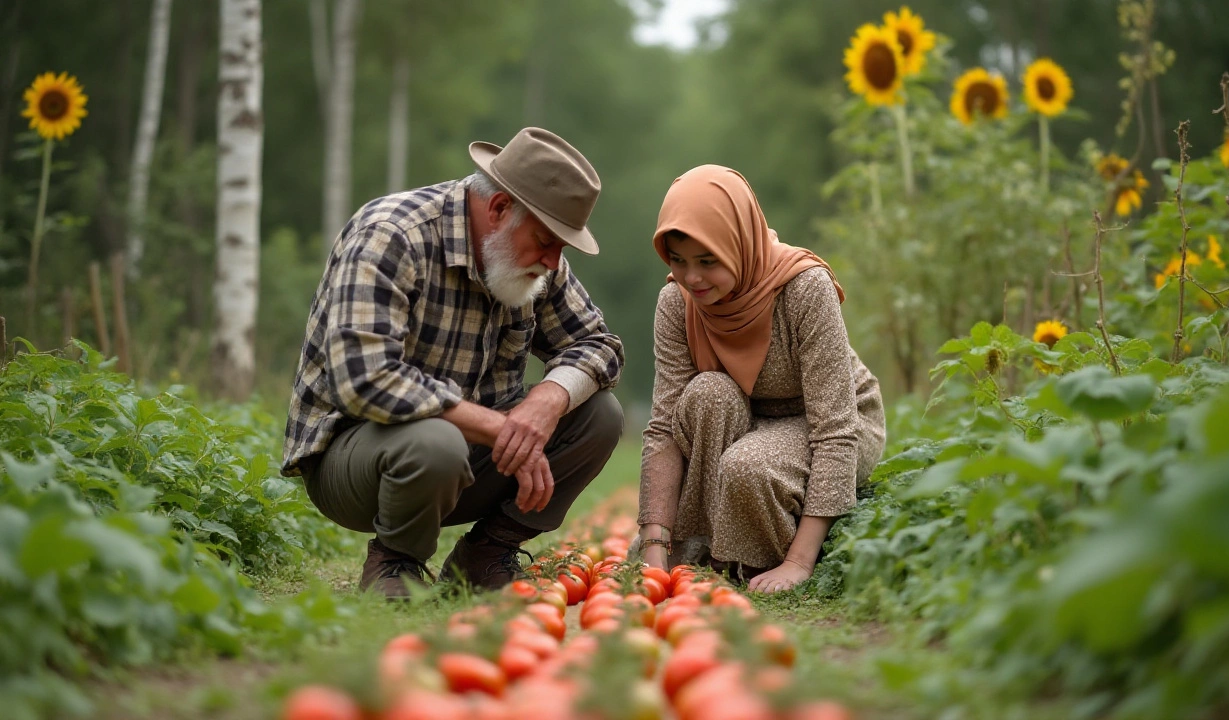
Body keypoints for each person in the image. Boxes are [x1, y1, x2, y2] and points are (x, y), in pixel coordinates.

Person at [282, 127, 625, 599]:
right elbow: (364, 379)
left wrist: (548, 398)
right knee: (436, 441)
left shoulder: (533, 259)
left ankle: (484, 555)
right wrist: (500, 429)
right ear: (500, 208)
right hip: (359, 460)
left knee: (598, 414)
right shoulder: (391, 234)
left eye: (561, 248)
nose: (551, 261)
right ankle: (394, 563)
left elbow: (599, 344)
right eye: (546, 240)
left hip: (468, 459)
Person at [636, 165, 885, 594]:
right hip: (748, 420)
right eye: (678, 260)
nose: (691, 277)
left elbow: (836, 430)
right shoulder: (677, 302)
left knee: (748, 466)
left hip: (835, 423)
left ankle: (768, 554)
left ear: (739, 245)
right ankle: (713, 546)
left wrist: (799, 564)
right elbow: (665, 428)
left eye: (707, 260)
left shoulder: (805, 287)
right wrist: (654, 547)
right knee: (706, 395)